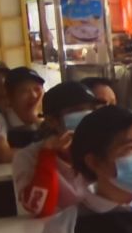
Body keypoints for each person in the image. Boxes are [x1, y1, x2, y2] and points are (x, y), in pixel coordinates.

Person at [13, 80, 97, 217]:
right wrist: (47, 155)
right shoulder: (28, 157)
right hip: (55, 227)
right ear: (52, 121)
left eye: (91, 109)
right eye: (77, 110)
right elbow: (41, 208)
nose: (87, 115)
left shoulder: (104, 149)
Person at [0, 68, 45, 164]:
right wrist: (47, 152)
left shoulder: (49, 118)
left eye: (37, 89)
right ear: (10, 97)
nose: (33, 95)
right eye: (24, 91)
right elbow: (3, 156)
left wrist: (34, 118)